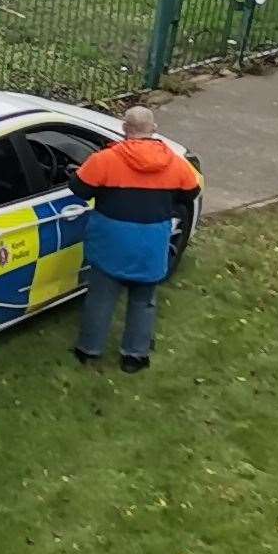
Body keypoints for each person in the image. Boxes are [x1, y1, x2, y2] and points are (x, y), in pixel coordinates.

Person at [69, 106, 200, 373]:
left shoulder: (105, 159)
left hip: (111, 240)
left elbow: (79, 188)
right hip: (151, 242)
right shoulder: (175, 163)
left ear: (124, 129)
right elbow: (190, 192)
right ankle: (135, 357)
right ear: (153, 128)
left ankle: (89, 350)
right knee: (144, 300)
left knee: (101, 298)